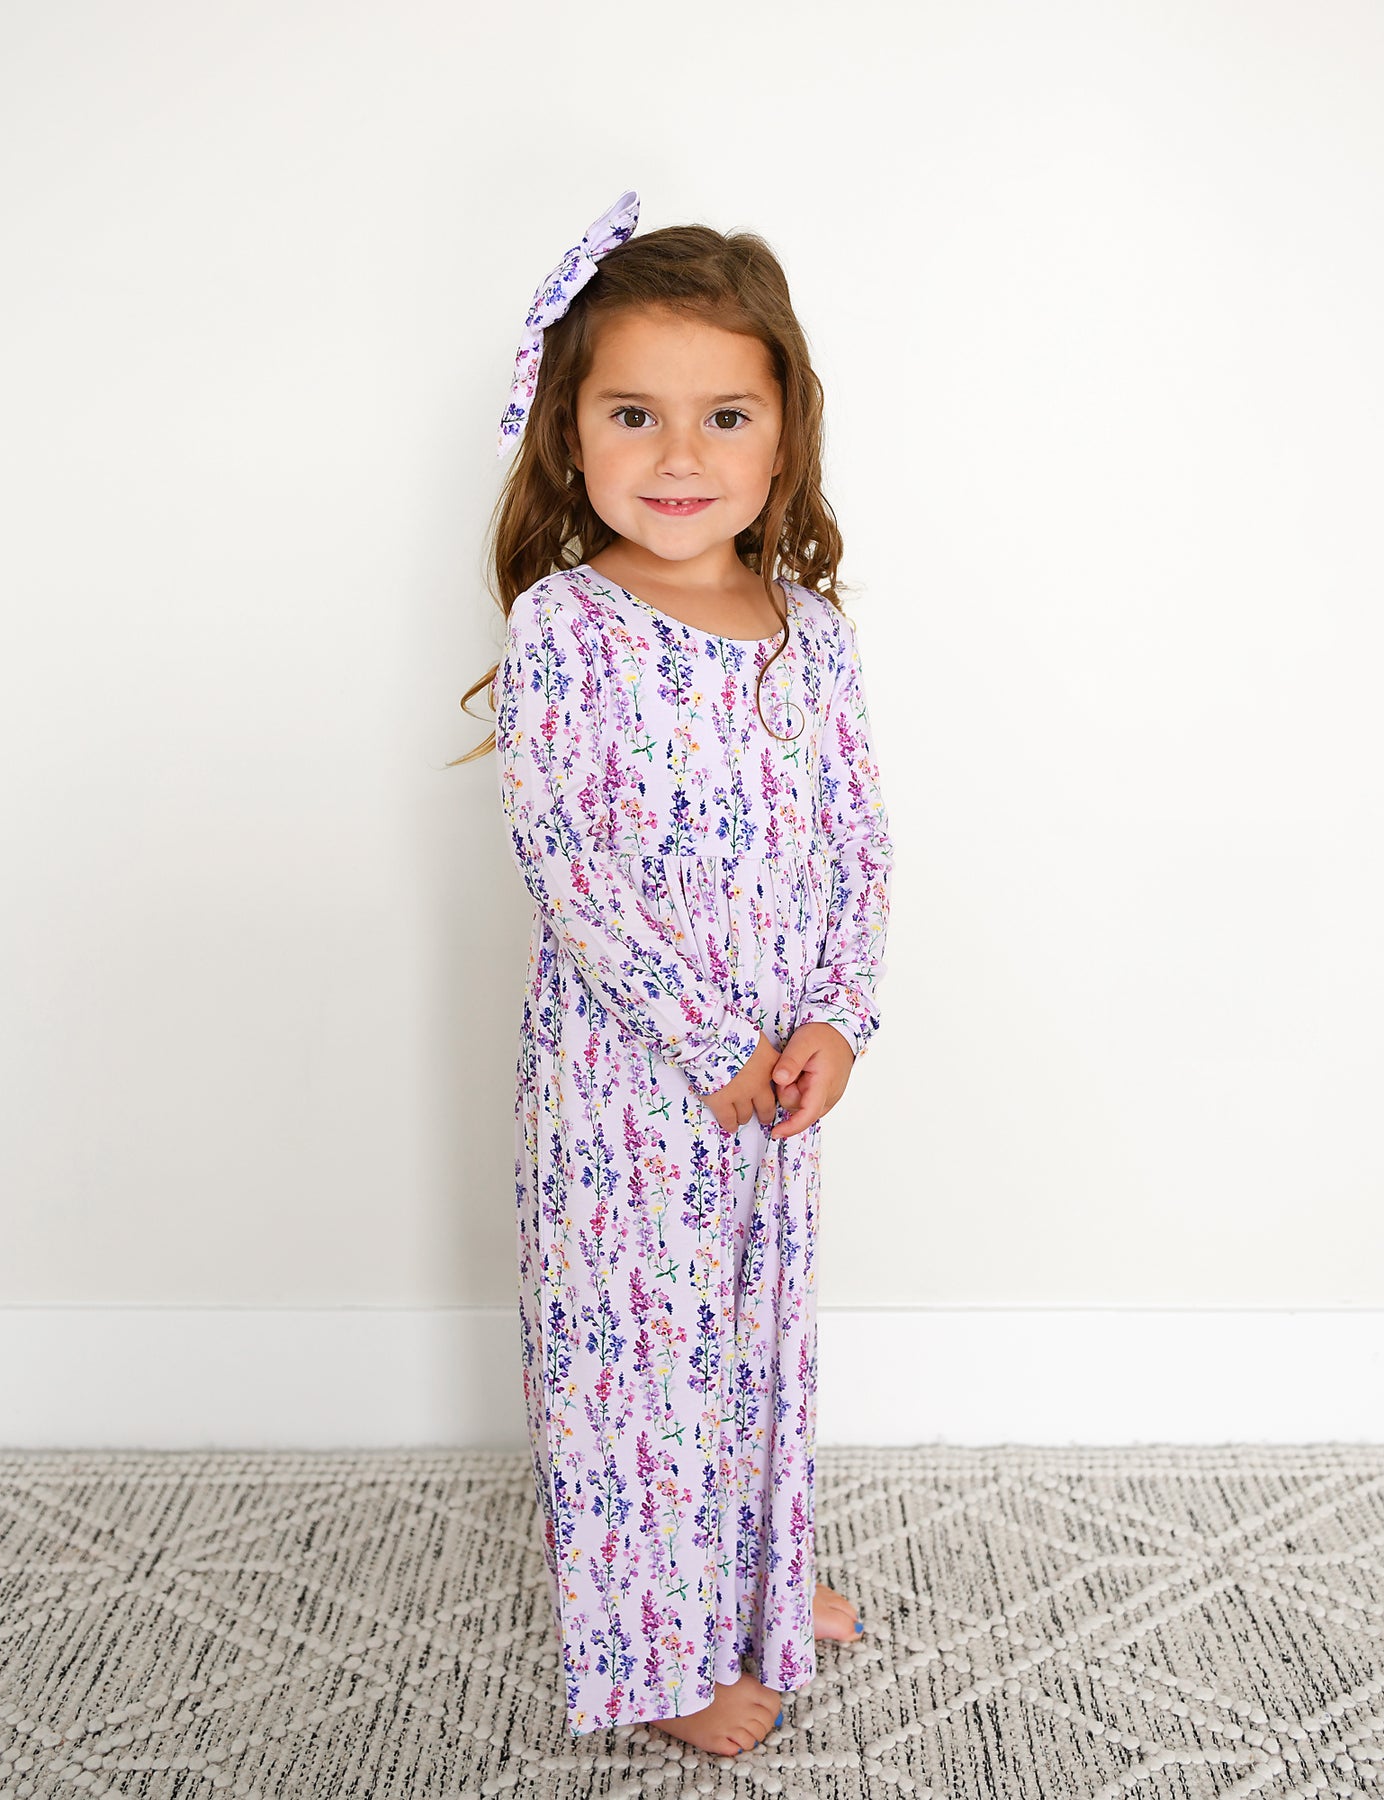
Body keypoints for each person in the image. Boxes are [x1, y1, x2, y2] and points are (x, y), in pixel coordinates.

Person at [458, 190, 894, 1755]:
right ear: (571, 433)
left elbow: (858, 838)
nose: (680, 455)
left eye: (725, 415)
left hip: (775, 1082)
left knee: (753, 1347)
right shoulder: (567, 628)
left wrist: (838, 1014)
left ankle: (755, 1589)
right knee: (638, 1377)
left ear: (783, 437)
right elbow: (570, 865)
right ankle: (666, 1664)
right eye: (634, 414)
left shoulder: (810, 631)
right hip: (630, 1092)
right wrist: (711, 1047)